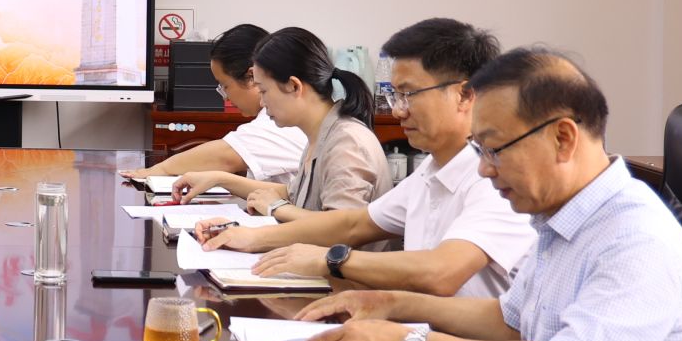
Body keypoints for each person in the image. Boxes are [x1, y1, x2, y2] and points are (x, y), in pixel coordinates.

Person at [300, 48, 682, 341]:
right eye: (479, 149)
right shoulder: (560, 216)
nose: (484, 169)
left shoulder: (635, 236)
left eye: (494, 149)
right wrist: (391, 303)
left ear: (563, 138)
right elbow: (511, 320)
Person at [201, 18, 536, 298]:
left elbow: (440, 272)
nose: (399, 110)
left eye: (408, 94)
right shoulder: (430, 172)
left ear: (464, 94)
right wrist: (248, 237)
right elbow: (353, 224)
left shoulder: (494, 179)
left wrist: (330, 260)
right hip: (422, 334)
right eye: (395, 95)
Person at [173, 26, 390, 221]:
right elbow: (291, 193)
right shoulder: (320, 135)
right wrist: (219, 179)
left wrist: (274, 210)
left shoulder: (347, 143)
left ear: (294, 86)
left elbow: (339, 229)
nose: (261, 101)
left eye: (264, 90)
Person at [145, 23, 305, 186]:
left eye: (225, 85)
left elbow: (225, 155)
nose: (225, 98)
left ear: (252, 77)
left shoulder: (282, 122)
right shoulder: (279, 114)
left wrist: (161, 169)